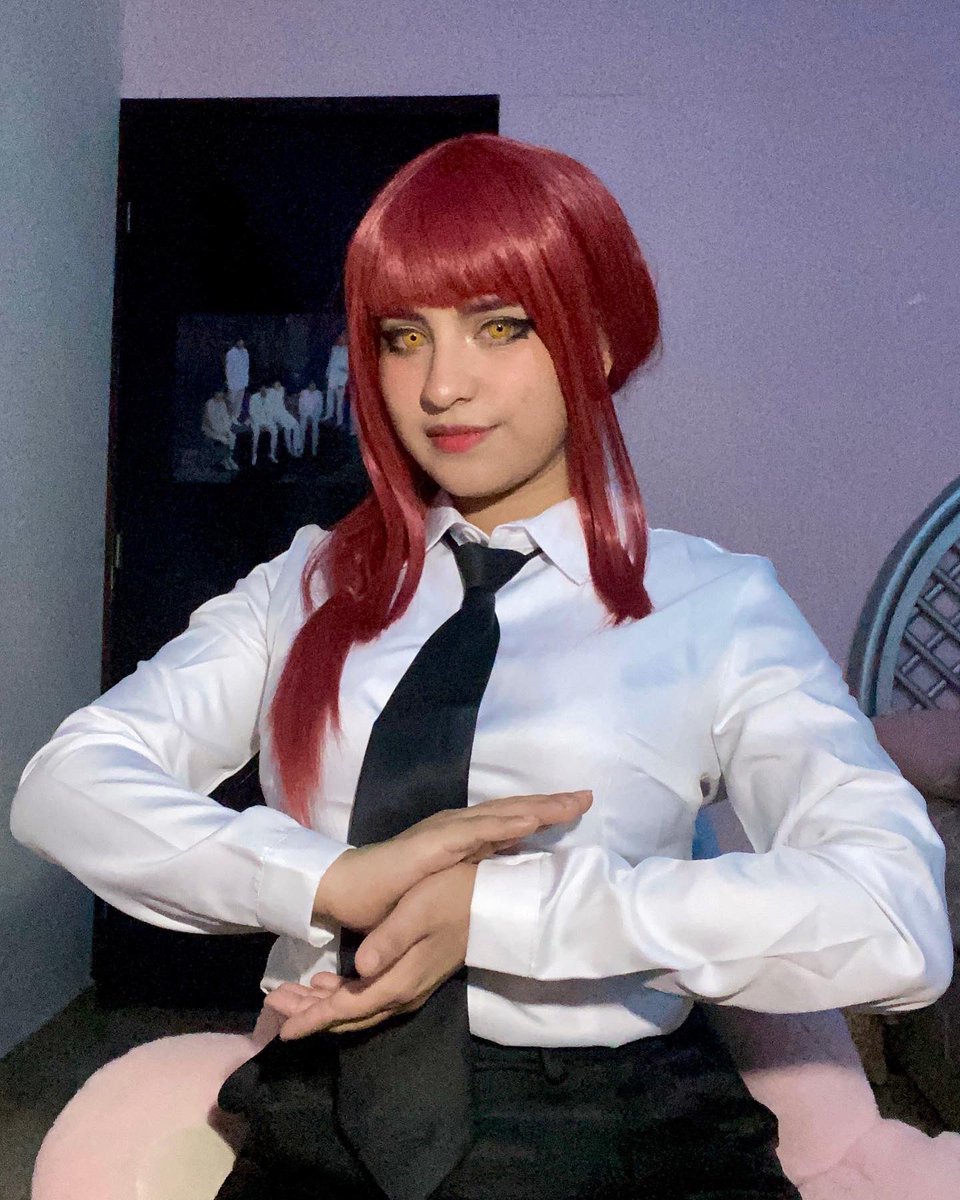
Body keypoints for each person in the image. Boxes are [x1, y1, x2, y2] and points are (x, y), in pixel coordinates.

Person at [10, 135, 952, 1200]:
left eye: (500, 326)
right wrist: (331, 880)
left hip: (618, 1134)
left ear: (599, 339)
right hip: (321, 1114)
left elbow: (894, 912)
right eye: (403, 337)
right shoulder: (303, 586)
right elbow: (67, 785)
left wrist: (497, 912)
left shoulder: (719, 606)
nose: (442, 386)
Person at [201, 388, 240, 471]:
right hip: (210, 429)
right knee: (224, 439)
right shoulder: (209, 403)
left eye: (222, 393)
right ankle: (225, 460)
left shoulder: (223, 403)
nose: (221, 395)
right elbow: (210, 421)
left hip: (222, 428)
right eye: (218, 393)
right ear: (215, 393)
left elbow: (225, 419)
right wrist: (220, 432)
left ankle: (229, 458)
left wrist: (226, 430)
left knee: (232, 437)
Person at [264, 379, 302, 458]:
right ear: (273, 385)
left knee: (295, 426)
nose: (278, 385)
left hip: (283, 413)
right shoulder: (270, 392)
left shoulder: (282, 389)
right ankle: (290, 448)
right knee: (288, 427)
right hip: (275, 415)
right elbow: (267, 407)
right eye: (276, 384)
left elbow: (288, 392)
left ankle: (294, 448)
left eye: (279, 384)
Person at [247, 383, 278, 464]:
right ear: (260, 389)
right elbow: (252, 413)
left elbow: (271, 413)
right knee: (256, 434)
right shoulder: (254, 397)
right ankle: (254, 455)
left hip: (267, 421)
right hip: (256, 421)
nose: (264, 391)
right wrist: (260, 424)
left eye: (266, 389)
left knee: (275, 432)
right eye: (262, 389)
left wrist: (266, 424)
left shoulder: (270, 398)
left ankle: (272, 454)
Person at [325, 332, 349, 427]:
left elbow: (348, 368)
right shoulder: (334, 349)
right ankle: (329, 414)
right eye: (340, 338)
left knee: (340, 401)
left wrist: (343, 382)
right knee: (329, 398)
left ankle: (339, 421)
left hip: (341, 379)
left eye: (342, 338)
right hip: (332, 377)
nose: (340, 339)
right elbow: (331, 362)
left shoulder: (348, 351)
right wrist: (327, 373)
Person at [297, 380, 325, 456]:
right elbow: (300, 405)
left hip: (315, 415)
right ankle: (301, 449)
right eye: (311, 385)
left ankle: (314, 449)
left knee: (315, 430)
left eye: (314, 385)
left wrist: (314, 415)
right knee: (302, 430)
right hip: (304, 414)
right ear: (308, 385)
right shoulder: (303, 393)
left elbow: (320, 407)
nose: (313, 386)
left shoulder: (319, 393)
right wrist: (305, 415)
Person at [225, 338, 250, 421]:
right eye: (239, 341)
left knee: (239, 402)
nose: (241, 343)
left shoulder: (245, 352)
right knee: (231, 401)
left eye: (242, 341)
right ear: (236, 342)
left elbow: (246, 366)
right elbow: (228, 369)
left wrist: (246, 380)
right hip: (233, 382)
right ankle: (228, 418)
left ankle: (235, 417)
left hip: (242, 381)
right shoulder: (231, 353)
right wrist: (229, 381)